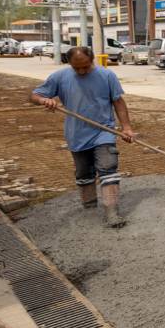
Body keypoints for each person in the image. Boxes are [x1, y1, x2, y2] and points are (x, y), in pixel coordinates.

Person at [31, 46, 134, 227]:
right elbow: (34, 95)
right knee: (83, 173)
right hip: (76, 134)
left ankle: (112, 213)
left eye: (85, 67)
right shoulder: (60, 77)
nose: (81, 71)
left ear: (92, 60)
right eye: (76, 68)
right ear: (69, 64)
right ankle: (89, 208)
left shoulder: (107, 76)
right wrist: (43, 100)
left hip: (104, 131)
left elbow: (118, 102)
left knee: (108, 167)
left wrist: (126, 127)